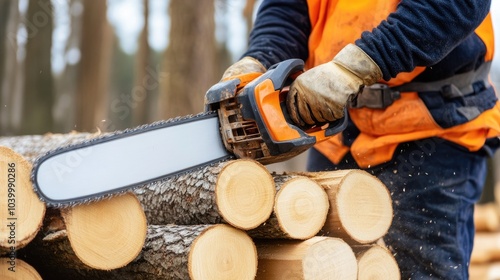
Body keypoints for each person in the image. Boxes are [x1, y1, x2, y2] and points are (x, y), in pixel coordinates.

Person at [218, 0, 500, 279]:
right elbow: (288, 7)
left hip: (431, 127)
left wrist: (357, 65)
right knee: (321, 265)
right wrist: (262, 58)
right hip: (337, 126)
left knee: (420, 269)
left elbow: (451, 7)